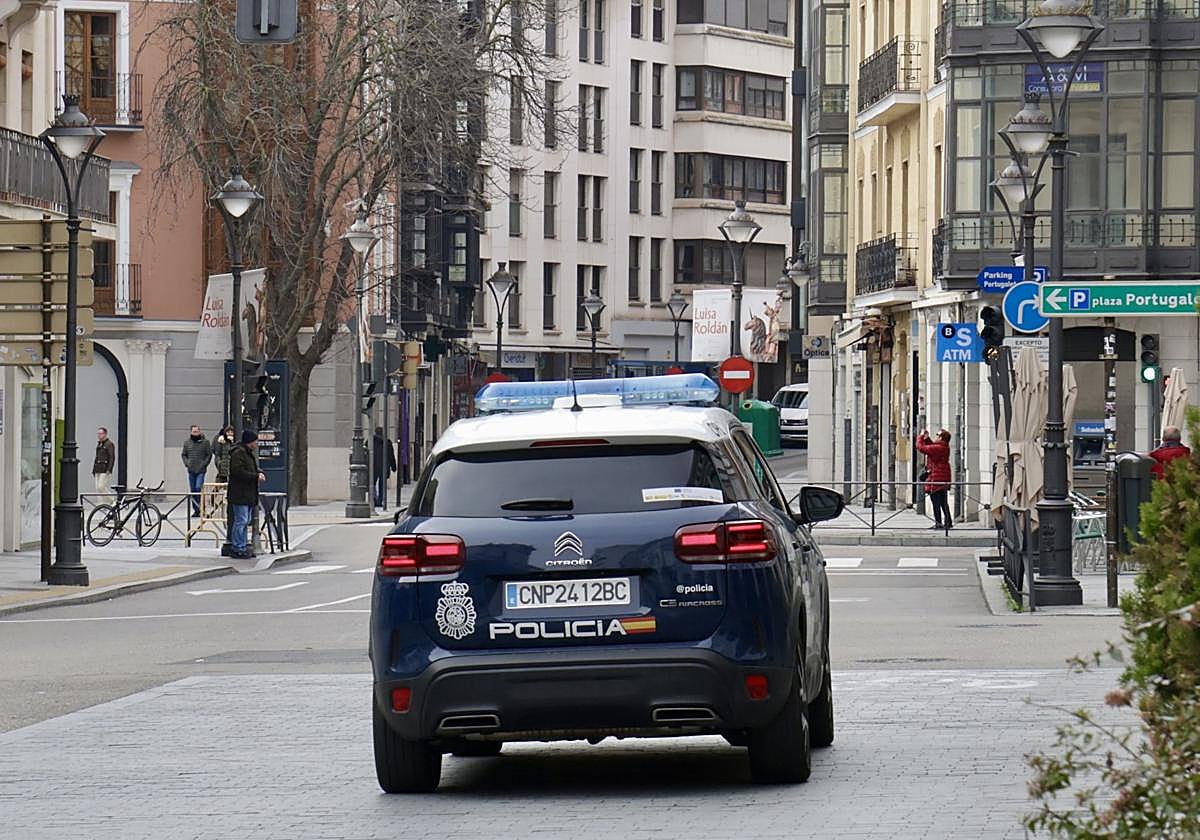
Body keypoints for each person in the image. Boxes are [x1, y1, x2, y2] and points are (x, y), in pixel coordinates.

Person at [228, 430, 265, 559]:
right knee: (241, 521)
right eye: (255, 441)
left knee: (245, 521)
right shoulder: (239, 453)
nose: (257, 443)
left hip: (246, 493)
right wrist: (255, 476)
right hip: (240, 493)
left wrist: (257, 472)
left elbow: (246, 469)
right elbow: (238, 471)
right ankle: (238, 546)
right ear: (250, 441)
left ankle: (242, 545)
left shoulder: (247, 453)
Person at [917, 429, 953, 530]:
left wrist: (920, 437)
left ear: (941, 437)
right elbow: (931, 447)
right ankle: (947, 522)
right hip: (942, 478)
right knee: (942, 502)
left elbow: (922, 448)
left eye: (938, 436)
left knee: (936, 501)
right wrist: (927, 438)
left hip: (937, 478)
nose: (936, 437)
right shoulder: (942, 447)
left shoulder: (939, 448)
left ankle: (939, 523)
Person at [181, 424, 213, 516]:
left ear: (200, 431)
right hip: (191, 469)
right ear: (191, 432)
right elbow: (183, 454)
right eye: (194, 431)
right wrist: (187, 463)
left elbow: (209, 454)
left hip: (201, 470)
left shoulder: (205, 442)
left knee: (198, 488)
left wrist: (204, 464)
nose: (195, 433)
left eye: (197, 431)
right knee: (193, 490)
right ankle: (196, 510)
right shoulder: (187, 443)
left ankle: (201, 507)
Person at [372, 426, 397, 508]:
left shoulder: (370, 441)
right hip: (384, 466)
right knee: (382, 485)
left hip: (373, 465)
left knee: (372, 483)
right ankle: (380, 500)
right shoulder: (387, 442)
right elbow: (391, 455)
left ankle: (374, 499)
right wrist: (394, 467)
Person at [92, 427, 116, 499]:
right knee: (97, 489)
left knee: (101, 487)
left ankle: (112, 500)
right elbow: (97, 457)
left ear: (105, 434)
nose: (99, 435)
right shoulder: (99, 444)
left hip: (105, 469)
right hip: (98, 468)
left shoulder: (109, 444)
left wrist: (109, 469)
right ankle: (101, 504)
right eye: (98, 434)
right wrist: (94, 469)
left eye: (101, 433)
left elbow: (112, 457)